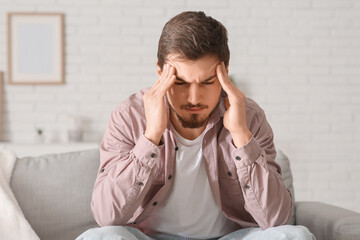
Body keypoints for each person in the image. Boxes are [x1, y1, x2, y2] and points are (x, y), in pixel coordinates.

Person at [77, 11, 316, 240]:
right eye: (180, 83)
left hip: (230, 237)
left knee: (296, 236)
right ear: (160, 73)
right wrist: (151, 136)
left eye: (207, 82)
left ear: (225, 73)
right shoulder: (129, 115)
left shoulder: (249, 116)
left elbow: (277, 219)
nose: (193, 97)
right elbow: (106, 216)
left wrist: (241, 135)